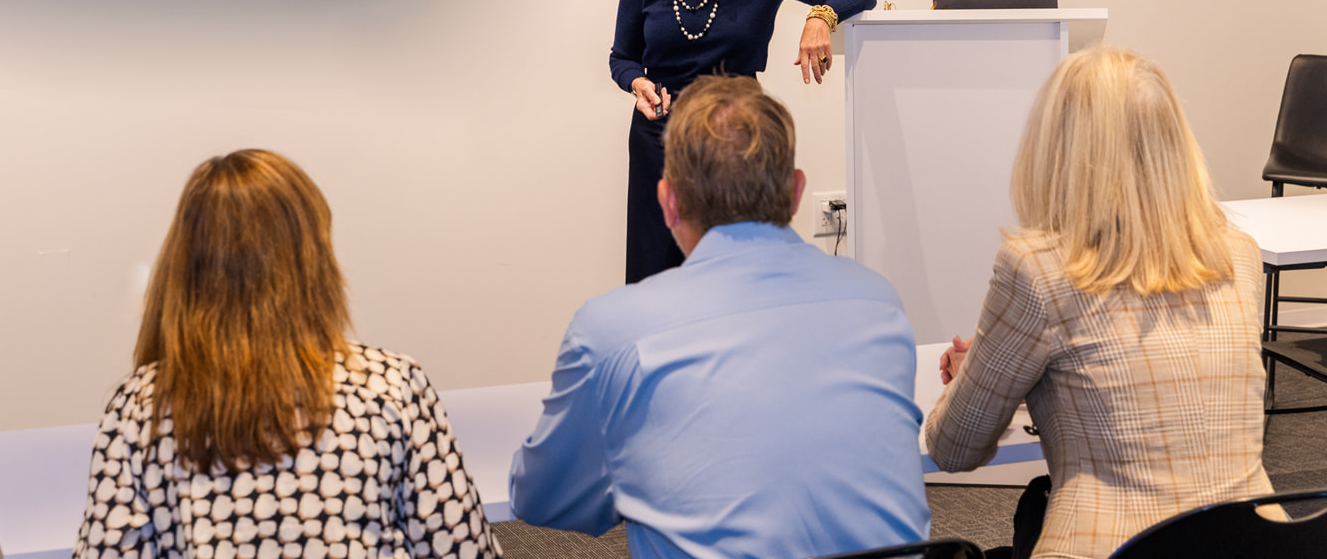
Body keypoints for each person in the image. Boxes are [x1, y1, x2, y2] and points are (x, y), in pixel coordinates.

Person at [510, 75, 931, 559]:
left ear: (668, 201)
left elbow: (540, 499)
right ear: (796, 192)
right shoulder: (877, 303)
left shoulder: (613, 333)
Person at [925, 48, 1272, 559]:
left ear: (1056, 147)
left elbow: (954, 448)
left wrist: (984, 365)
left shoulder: (1037, 268)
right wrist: (1027, 364)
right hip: (1257, 544)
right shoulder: (1240, 256)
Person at [73, 149, 501, 559]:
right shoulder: (389, 385)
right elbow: (464, 548)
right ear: (312, 261)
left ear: (185, 262)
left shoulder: (140, 408)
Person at [611, 0, 876, 283]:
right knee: (657, 276)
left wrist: (821, 18)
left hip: (738, 143)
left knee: (737, 278)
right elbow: (623, 57)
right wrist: (636, 82)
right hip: (662, 139)